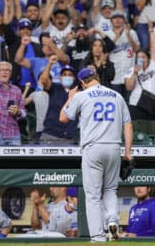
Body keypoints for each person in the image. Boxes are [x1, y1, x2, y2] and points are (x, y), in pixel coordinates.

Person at [60, 67, 133, 242]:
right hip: (114, 148)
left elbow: (63, 118)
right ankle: (113, 220)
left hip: (93, 148)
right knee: (110, 189)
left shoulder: (81, 95)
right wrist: (128, 154)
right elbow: (128, 126)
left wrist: (70, 98)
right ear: (96, 77)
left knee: (92, 196)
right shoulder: (117, 96)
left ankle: (98, 237)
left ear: (82, 82)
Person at [0, 51, 26, 145]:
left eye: (7, 70)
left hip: (12, 133)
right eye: (1, 70)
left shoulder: (17, 90)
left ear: (10, 73)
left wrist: (18, 111)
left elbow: (23, 112)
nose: (4, 72)